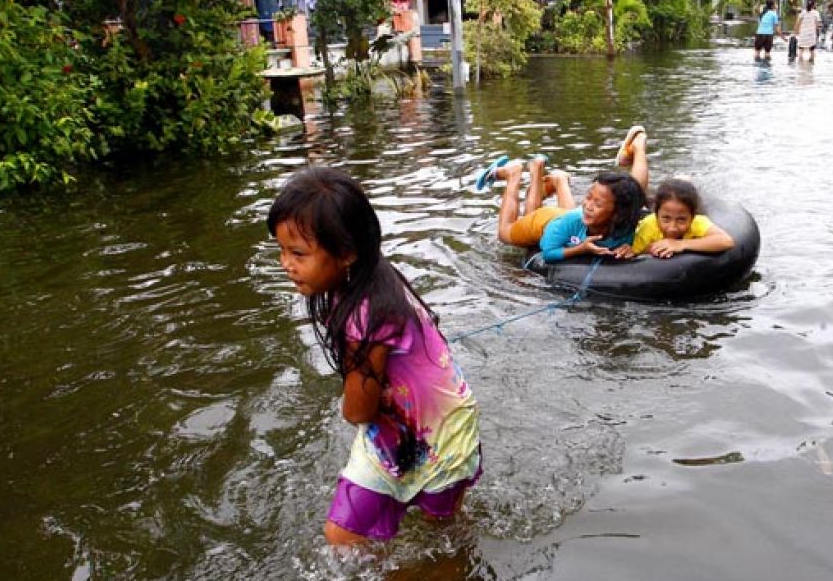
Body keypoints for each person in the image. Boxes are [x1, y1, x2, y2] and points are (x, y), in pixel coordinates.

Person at [268, 166, 481, 545]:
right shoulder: (365, 278)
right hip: (409, 424)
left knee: (436, 535)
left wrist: (354, 398)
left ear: (346, 253)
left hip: (440, 433)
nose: (286, 263)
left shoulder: (366, 313)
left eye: (298, 253)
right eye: (281, 250)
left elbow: (357, 411)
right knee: (353, 536)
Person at [473, 128, 648, 263]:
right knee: (506, 233)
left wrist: (634, 249)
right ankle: (513, 174)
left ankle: (556, 178)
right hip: (543, 222)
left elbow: (636, 190)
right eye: (588, 197)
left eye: (598, 203)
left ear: (618, 214)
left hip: (566, 220)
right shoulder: (572, 221)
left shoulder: (626, 224)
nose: (588, 205)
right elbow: (548, 252)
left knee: (573, 219)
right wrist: (579, 249)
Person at [631, 178, 735, 258]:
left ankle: (684, 179)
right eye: (666, 218)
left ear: (692, 216)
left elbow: (726, 241)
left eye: (681, 220)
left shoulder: (697, 222)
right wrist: (649, 250)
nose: (672, 227)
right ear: (656, 215)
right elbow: (633, 254)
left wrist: (680, 244)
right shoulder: (648, 225)